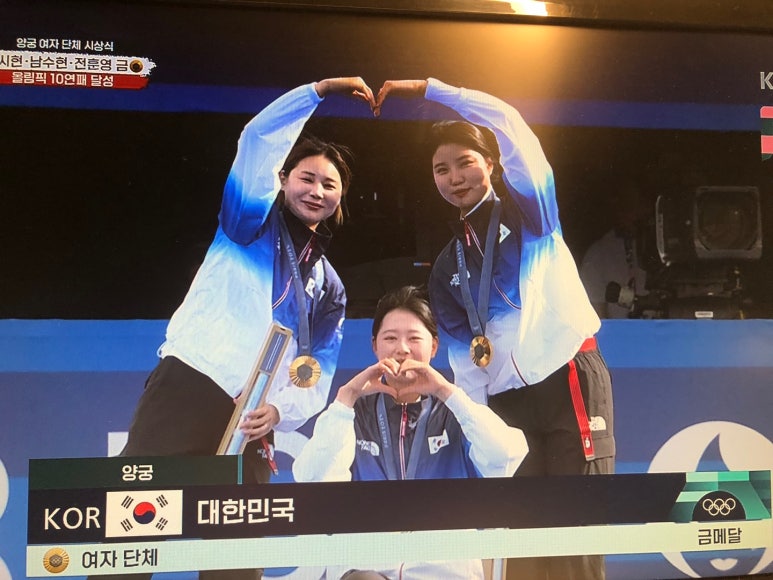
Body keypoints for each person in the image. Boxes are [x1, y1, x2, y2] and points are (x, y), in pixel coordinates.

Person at [102, 77, 375, 580]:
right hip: (190, 387)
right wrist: (317, 91)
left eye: (329, 185)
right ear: (282, 180)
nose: (316, 191)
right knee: (129, 533)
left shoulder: (330, 287)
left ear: (341, 198)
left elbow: (316, 370)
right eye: (306, 178)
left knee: (236, 557)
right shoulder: (247, 224)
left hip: (253, 420)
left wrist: (280, 410)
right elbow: (256, 138)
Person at [374, 79, 615, 580]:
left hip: (566, 378)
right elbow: (465, 364)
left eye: (465, 162)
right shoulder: (447, 265)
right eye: (441, 169)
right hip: (505, 401)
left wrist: (434, 90)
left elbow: (513, 126)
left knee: (576, 528)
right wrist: (477, 425)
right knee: (517, 536)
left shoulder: (531, 214)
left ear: (491, 163)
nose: (454, 177)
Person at [293, 285, 528, 580]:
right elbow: (311, 481)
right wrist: (345, 399)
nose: (402, 348)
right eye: (390, 338)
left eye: (414, 338)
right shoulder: (353, 415)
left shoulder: (457, 412)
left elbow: (506, 457)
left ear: (434, 346)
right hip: (370, 571)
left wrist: (447, 392)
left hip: (444, 573)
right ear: (375, 346)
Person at [579, 179, 650, 318]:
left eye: (640, 205)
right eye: (628, 205)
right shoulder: (598, 254)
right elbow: (598, 318)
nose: (636, 213)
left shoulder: (666, 254)